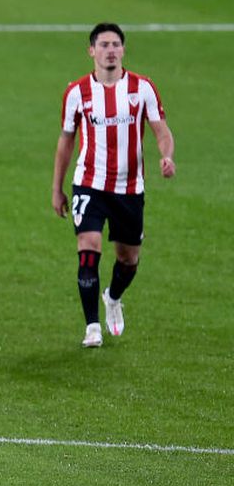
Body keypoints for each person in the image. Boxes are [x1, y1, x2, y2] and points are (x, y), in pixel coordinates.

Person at [52, 23, 175, 347]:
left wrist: (166, 156)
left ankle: (113, 297)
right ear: (91, 51)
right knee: (88, 247)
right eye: (104, 45)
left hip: (129, 188)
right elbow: (66, 142)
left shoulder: (142, 88)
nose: (110, 50)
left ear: (123, 50)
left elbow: (161, 130)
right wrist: (57, 188)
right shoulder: (76, 92)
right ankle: (92, 326)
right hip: (89, 184)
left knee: (128, 259)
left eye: (115, 44)